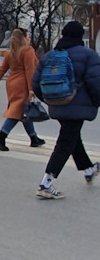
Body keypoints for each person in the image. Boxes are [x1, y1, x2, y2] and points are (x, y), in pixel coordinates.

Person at [32, 19, 100, 199]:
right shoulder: (89, 55)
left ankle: (89, 169)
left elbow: (36, 83)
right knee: (65, 142)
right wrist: (96, 102)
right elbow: (95, 83)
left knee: (72, 137)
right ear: (80, 36)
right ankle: (46, 183)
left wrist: (51, 100)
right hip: (78, 106)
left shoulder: (49, 56)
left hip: (58, 104)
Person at [0, 27, 43, 151]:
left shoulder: (10, 52)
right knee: (16, 111)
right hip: (22, 84)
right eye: (28, 36)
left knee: (24, 110)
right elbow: (30, 71)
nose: (29, 38)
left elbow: (1, 69)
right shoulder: (28, 51)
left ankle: (34, 138)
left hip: (12, 83)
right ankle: (1, 136)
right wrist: (31, 89)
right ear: (23, 38)